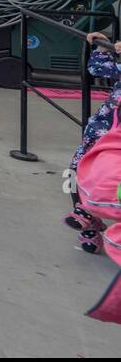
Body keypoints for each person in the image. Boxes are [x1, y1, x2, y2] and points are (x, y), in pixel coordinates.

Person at [65, 32, 121, 252]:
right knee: (73, 172)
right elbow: (98, 69)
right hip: (101, 131)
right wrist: (103, 48)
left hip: (115, 146)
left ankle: (91, 216)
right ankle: (87, 223)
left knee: (111, 184)